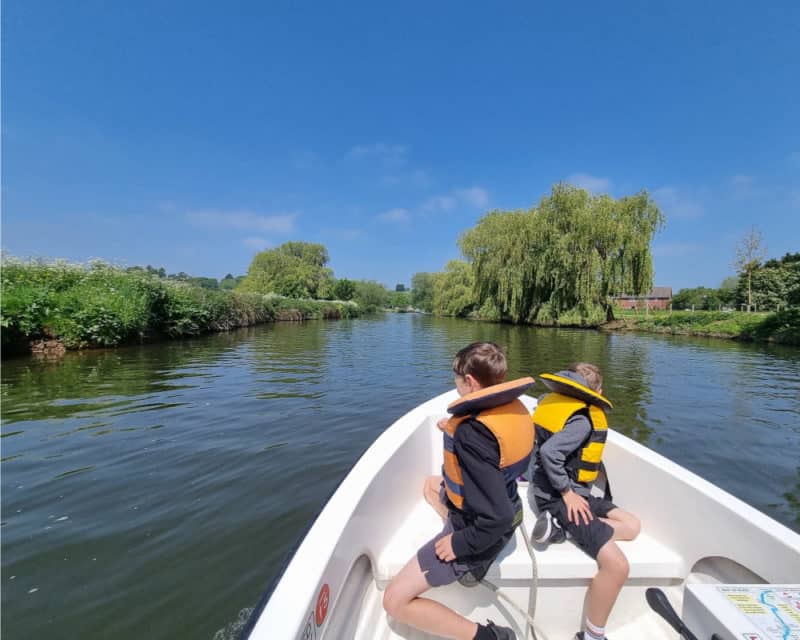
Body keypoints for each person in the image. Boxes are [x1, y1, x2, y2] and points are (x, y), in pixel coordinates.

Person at [383, 342, 534, 640]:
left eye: (455, 376)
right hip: (511, 506)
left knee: (394, 601)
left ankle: (490, 636)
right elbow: (494, 454)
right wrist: (453, 429)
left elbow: (497, 518)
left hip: (483, 529)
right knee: (429, 485)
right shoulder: (513, 409)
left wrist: (460, 543)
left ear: (471, 382)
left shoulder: (472, 435)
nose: (454, 383)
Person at [527, 363, 641, 640]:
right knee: (618, 566)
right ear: (598, 392)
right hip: (559, 499)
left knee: (632, 525)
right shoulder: (582, 420)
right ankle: (592, 635)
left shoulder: (550, 402)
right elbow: (550, 454)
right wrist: (567, 494)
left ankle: (562, 530)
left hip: (567, 494)